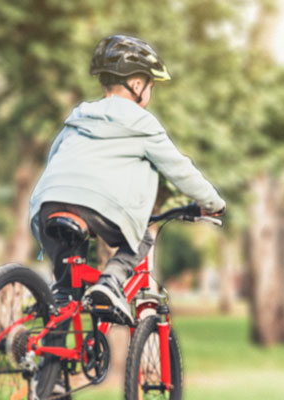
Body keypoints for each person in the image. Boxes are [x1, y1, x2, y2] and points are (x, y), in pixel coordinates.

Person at [28, 35, 225, 327]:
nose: (150, 92)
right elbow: (180, 169)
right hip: (99, 207)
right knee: (143, 234)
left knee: (65, 297)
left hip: (50, 200)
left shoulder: (79, 115)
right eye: (150, 85)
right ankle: (111, 282)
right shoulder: (142, 122)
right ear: (136, 85)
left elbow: (56, 154)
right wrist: (213, 203)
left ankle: (48, 359)